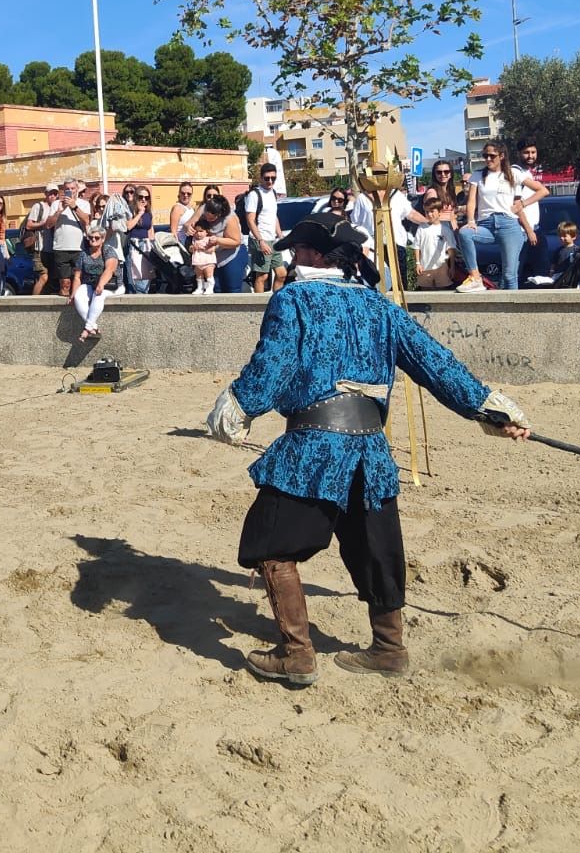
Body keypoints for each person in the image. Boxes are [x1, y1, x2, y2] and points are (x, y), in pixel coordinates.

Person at [205, 216, 530, 685]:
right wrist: (488, 409)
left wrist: (238, 406)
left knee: (272, 543)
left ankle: (296, 655)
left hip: (314, 450)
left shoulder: (294, 298)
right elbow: (436, 364)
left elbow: (272, 363)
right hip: (370, 453)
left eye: (298, 251)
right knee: (376, 549)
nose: (293, 258)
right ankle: (388, 648)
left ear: (316, 256)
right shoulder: (381, 307)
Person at [454, 141, 546, 292]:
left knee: (509, 276)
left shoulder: (513, 173)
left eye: (492, 156)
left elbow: (542, 191)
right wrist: (470, 220)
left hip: (508, 224)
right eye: (485, 156)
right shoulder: (477, 176)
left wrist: (523, 203)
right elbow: (471, 201)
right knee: (464, 233)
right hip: (486, 224)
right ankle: (475, 277)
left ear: (502, 156)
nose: (488, 159)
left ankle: (513, 312)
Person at [71, 222, 120, 340]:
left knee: (98, 295)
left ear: (103, 239)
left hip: (110, 284)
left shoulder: (108, 250)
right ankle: (93, 328)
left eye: (97, 237)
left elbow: (110, 269)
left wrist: (101, 284)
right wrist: (73, 293)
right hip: (90, 283)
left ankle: (86, 329)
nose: (93, 239)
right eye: (90, 237)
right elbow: (77, 276)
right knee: (78, 296)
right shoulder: (83, 254)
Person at [245, 163, 286, 292]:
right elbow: (250, 220)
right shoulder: (254, 195)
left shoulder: (273, 193)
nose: (270, 181)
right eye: (267, 178)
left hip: (272, 239)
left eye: (273, 178)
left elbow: (274, 216)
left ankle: (275, 302)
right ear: (261, 178)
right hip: (260, 238)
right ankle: (260, 309)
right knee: (262, 276)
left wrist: (280, 235)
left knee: (281, 273)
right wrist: (260, 241)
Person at [49, 180, 89, 298]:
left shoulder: (84, 204)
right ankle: (65, 311)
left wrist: (74, 206)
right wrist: (59, 211)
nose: (70, 191)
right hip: (61, 248)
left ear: (77, 189)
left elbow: (87, 220)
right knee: (65, 285)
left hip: (79, 248)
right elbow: (48, 224)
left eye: (72, 188)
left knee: (78, 283)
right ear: (63, 190)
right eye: (67, 189)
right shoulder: (56, 204)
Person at [412, 189, 458, 290]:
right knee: (425, 293)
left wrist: (452, 267)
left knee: (442, 292)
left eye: (432, 211)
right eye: (427, 212)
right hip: (425, 267)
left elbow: (451, 249)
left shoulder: (445, 230)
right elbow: (416, 247)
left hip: (442, 268)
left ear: (440, 212)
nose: (429, 214)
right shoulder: (421, 228)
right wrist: (418, 264)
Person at [26, 185, 60, 296]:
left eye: (55, 194)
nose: (53, 196)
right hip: (40, 248)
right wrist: (43, 223)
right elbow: (29, 225)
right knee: (43, 276)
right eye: (50, 193)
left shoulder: (58, 207)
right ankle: (34, 302)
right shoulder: (38, 206)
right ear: (45, 194)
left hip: (53, 249)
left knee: (51, 280)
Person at [125, 186, 155, 294]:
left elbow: (151, 229)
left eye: (146, 198)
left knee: (146, 275)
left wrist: (153, 244)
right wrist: (139, 214)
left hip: (146, 245)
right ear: (136, 197)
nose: (143, 200)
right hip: (134, 245)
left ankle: (144, 295)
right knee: (136, 276)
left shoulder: (149, 213)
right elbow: (128, 226)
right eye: (141, 197)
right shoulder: (130, 210)